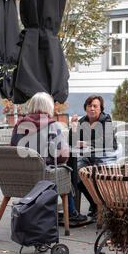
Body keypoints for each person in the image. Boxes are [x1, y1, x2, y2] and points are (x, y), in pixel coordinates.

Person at [11, 92, 87, 222]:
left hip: (20, 174)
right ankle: (71, 212)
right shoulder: (52, 125)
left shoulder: (19, 125)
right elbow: (62, 156)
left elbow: (12, 149)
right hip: (44, 176)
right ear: (48, 107)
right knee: (65, 171)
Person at [70, 95, 119, 218]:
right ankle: (95, 204)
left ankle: (102, 206)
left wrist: (87, 143)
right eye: (89, 106)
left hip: (106, 157)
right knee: (76, 174)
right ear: (85, 108)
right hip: (88, 157)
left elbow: (107, 141)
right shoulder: (82, 121)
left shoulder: (106, 119)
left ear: (100, 109)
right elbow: (72, 142)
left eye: (95, 106)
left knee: (97, 177)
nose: (92, 108)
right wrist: (74, 128)